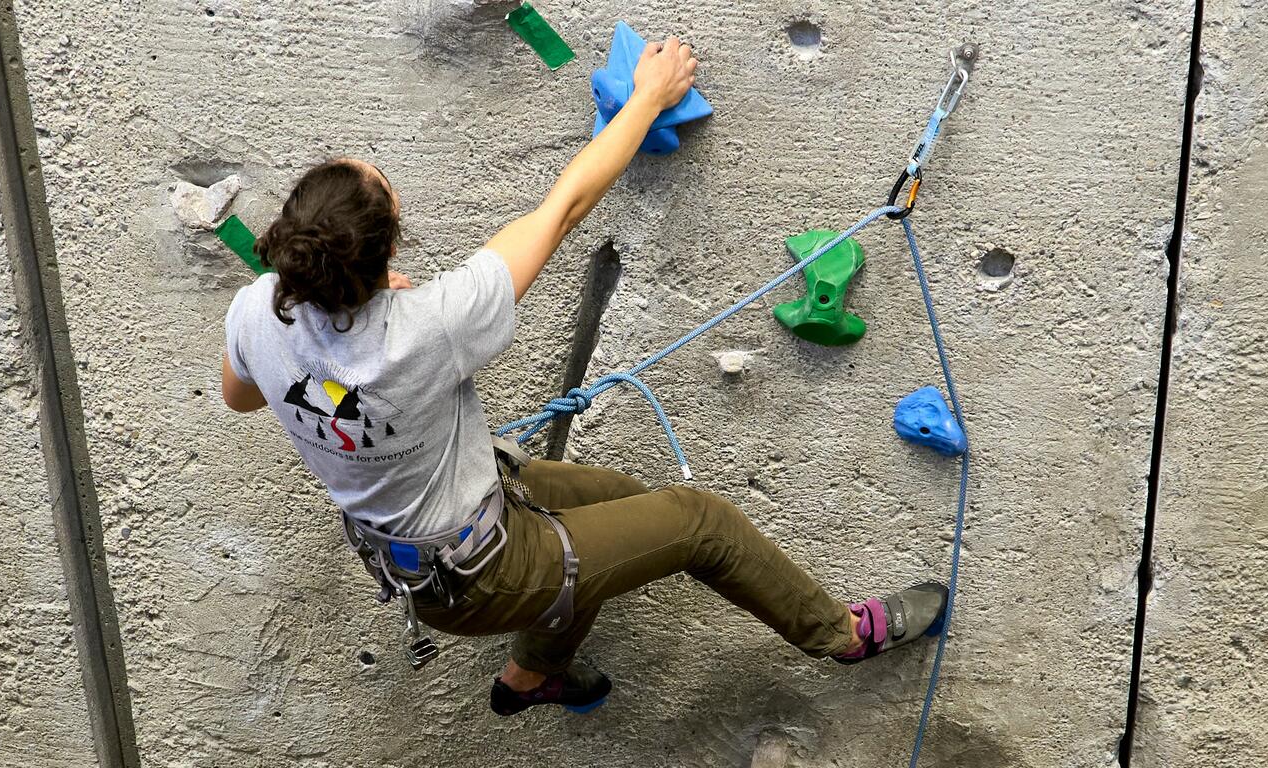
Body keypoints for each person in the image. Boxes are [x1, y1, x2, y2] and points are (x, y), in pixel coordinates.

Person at [220, 36, 947, 717]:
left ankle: (534, 673)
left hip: (411, 552)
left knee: (620, 503)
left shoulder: (258, 309)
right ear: (383, 256)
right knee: (701, 522)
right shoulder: (432, 325)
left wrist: (347, 342)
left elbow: (242, 396)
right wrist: (649, 96)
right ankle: (843, 636)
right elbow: (563, 208)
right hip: (484, 574)